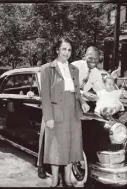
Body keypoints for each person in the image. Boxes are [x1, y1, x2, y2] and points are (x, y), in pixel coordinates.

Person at [37, 37, 90, 187]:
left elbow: (76, 91)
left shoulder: (74, 69)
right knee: (56, 148)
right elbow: (45, 96)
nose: (66, 53)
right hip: (55, 112)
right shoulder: (47, 69)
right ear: (57, 50)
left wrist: (83, 102)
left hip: (73, 112)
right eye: (63, 49)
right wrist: (48, 117)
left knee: (71, 147)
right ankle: (55, 180)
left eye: (69, 50)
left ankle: (67, 178)